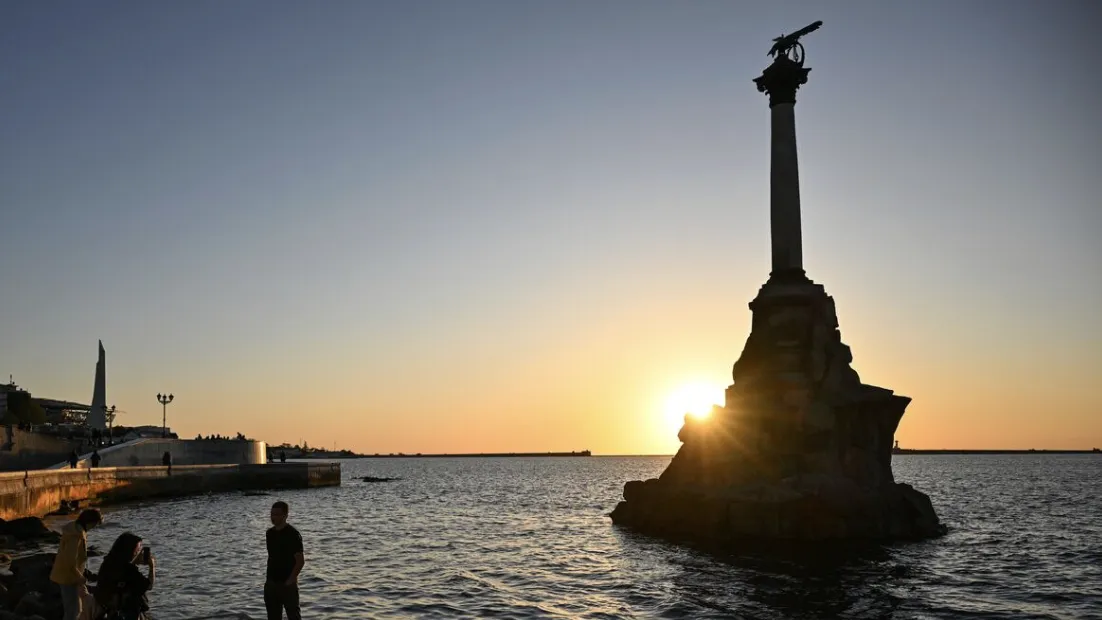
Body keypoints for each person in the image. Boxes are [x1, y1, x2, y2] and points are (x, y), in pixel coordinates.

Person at [49, 509, 103, 620]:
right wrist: (80, 577)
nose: (94, 527)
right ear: (90, 522)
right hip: (68, 577)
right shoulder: (76, 536)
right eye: (95, 524)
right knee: (73, 611)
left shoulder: (74, 529)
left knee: (74, 610)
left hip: (66, 575)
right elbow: (70, 562)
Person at [95, 532, 155, 620]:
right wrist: (152, 566)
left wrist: (133, 563)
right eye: (137, 550)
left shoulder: (107, 562)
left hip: (107, 609)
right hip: (126, 613)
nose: (137, 553)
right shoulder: (129, 569)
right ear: (129, 550)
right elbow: (149, 585)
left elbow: (123, 575)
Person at [265, 501, 304, 620]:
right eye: (272, 514)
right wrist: (269, 582)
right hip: (271, 583)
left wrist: (290, 580)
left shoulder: (293, 534)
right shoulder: (269, 534)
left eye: (277, 514)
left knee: (294, 616)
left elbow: (300, 561)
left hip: (288, 583)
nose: (273, 517)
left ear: (285, 515)